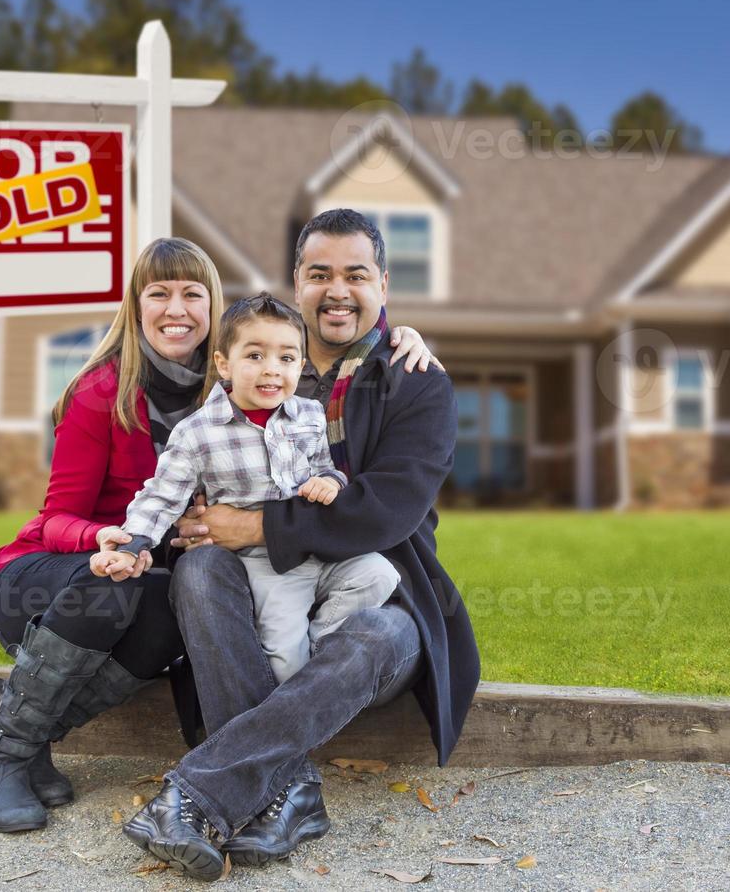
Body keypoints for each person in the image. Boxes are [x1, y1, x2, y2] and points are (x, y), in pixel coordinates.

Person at [0, 236, 439, 834]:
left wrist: (405, 333)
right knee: (123, 584)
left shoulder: (243, 383)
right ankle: (5, 757)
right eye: (159, 293)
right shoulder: (102, 393)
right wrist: (117, 539)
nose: (177, 309)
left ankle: (34, 738)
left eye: (193, 294)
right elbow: (54, 519)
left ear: (215, 313)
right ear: (135, 306)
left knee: (175, 601)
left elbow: (323, 345)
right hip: (58, 575)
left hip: (152, 577)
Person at [121, 209, 480, 880]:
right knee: (199, 570)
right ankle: (292, 793)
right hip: (258, 591)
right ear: (296, 282)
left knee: (376, 635)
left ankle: (199, 793)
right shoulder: (256, 360)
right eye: (320, 275)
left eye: (355, 275)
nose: (337, 290)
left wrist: (257, 525)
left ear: (383, 283)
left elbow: (386, 514)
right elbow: (164, 373)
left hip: (380, 590)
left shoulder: (414, 379)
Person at [92, 292, 399, 685]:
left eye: (286, 358)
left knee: (379, 574)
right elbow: (161, 496)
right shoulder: (197, 433)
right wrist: (132, 543)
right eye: (255, 356)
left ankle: (323, 643)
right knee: (286, 663)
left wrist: (330, 482)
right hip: (266, 564)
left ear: (300, 365)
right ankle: (297, 684)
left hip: (318, 550)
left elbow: (325, 467)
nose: (272, 370)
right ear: (224, 364)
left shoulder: (308, 415)